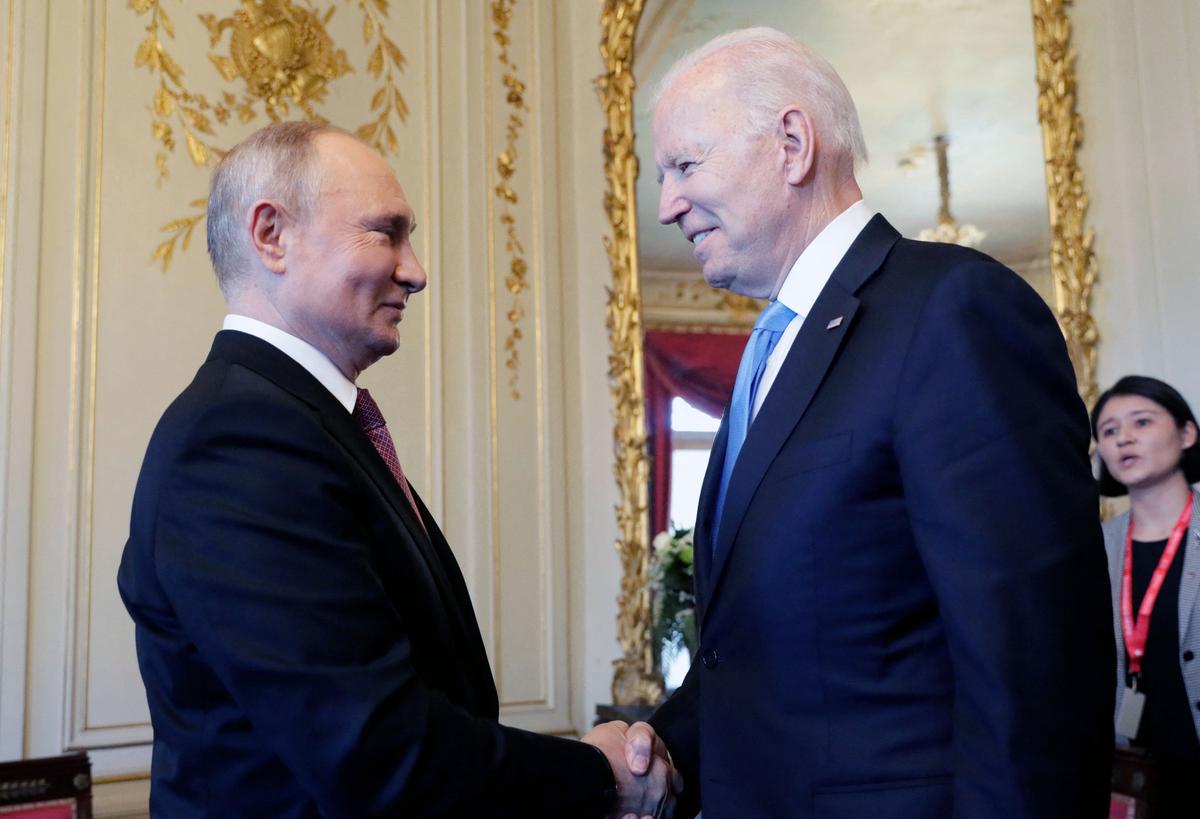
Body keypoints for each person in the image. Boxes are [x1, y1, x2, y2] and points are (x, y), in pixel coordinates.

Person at [117, 121, 679, 818]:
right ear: (271, 235)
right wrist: (598, 774)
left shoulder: (304, 424)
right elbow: (376, 752)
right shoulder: (239, 442)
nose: (416, 270)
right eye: (386, 233)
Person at [640, 27, 1114, 818]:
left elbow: (1035, 669)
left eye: (685, 165)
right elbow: (762, 654)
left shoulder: (955, 310)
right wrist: (653, 750)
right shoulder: (771, 349)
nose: (666, 205)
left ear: (792, 144)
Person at [1093, 375, 1200, 818]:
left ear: (1187, 433)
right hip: (1141, 776)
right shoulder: (1094, 549)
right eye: (1109, 431)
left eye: (1141, 422)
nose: (1124, 439)